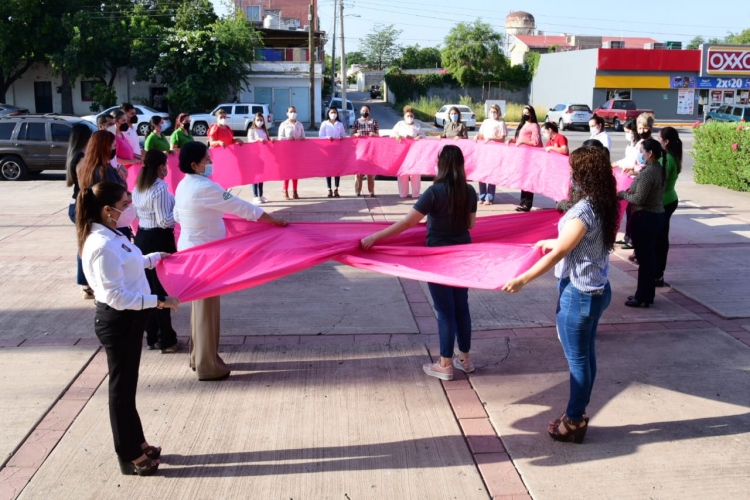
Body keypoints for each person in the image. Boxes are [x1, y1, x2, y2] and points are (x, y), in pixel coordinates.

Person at [502, 145, 619, 444]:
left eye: (574, 171)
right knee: (586, 357)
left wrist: (523, 279)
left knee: (578, 362)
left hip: (579, 294)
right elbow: (572, 241)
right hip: (597, 289)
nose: (571, 176)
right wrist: (549, 240)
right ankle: (577, 414)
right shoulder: (604, 202)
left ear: (584, 175)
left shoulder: (584, 209)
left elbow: (563, 251)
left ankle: (574, 420)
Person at [78, 181, 179, 476]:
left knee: (128, 389)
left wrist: (154, 258)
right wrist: (158, 301)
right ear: (108, 210)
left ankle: (137, 442)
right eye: (125, 204)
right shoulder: (101, 245)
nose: (130, 209)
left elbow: (131, 264)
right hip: (118, 322)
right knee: (121, 392)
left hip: (130, 321)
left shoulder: (113, 234)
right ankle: (129, 455)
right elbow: (114, 296)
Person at [361, 145, 477, 381]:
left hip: (438, 257)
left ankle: (445, 364)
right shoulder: (470, 191)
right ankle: (465, 359)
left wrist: (374, 237)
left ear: (441, 164)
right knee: (461, 306)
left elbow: (406, 224)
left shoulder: (434, 192)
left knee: (445, 311)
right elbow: (471, 225)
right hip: (463, 253)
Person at [173, 142, 288, 381]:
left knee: (199, 310)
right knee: (206, 311)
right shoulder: (205, 187)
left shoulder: (184, 184)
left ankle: (198, 357)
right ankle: (208, 366)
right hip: (204, 256)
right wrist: (273, 220)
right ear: (194, 165)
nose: (210, 163)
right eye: (206, 159)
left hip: (190, 251)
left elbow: (178, 216)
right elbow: (241, 207)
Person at [133, 150, 181, 353]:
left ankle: (151, 336)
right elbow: (164, 221)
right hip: (158, 238)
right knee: (161, 291)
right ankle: (166, 339)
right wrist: (180, 213)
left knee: (148, 290)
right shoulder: (159, 188)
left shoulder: (139, 186)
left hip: (143, 237)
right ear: (161, 165)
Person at [617, 139, 667, 307]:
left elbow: (639, 198)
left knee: (645, 259)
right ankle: (646, 294)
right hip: (656, 215)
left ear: (650, 154)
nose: (640, 154)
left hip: (645, 217)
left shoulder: (648, 173)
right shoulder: (659, 169)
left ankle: (642, 295)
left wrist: (623, 194)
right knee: (649, 258)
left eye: (642, 151)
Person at [66, 123, 94, 299]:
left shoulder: (75, 156)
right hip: (81, 205)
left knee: (85, 244)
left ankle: (86, 284)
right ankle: (85, 285)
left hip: (76, 203)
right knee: (85, 246)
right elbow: (86, 185)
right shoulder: (81, 157)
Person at [655, 127, 682, 287]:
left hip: (664, 202)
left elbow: (659, 183)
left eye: (659, 138)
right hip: (668, 199)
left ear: (666, 142)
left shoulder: (666, 159)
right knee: (661, 239)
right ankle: (658, 273)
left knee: (659, 241)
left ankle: (658, 274)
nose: (657, 141)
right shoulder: (671, 156)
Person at [511, 105, 542, 212]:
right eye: (523, 113)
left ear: (532, 114)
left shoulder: (534, 126)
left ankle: (527, 204)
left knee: (529, 180)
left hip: (531, 157)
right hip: (522, 157)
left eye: (527, 113)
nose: (525, 115)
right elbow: (519, 139)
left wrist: (523, 142)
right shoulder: (523, 125)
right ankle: (522, 202)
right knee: (523, 180)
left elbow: (535, 142)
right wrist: (512, 140)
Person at [475, 104, 508, 205]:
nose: (493, 113)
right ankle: (482, 196)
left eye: (495, 112)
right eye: (491, 111)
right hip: (484, 151)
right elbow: (481, 134)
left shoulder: (501, 123)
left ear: (498, 112)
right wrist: (477, 136)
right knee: (481, 173)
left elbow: (502, 138)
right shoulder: (486, 122)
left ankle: (489, 197)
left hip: (495, 151)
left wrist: (491, 139)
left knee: (492, 174)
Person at [391, 105, 426, 198]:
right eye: (408, 116)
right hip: (402, 152)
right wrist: (396, 135)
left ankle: (416, 194)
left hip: (415, 153)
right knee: (403, 173)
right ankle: (403, 194)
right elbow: (392, 133)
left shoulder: (417, 125)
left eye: (411, 116)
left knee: (415, 173)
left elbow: (424, 136)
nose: (410, 118)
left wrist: (419, 137)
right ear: (404, 116)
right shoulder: (400, 124)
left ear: (413, 116)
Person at [277, 106, 305, 200]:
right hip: (286, 152)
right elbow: (280, 138)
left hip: (297, 152)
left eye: (294, 111)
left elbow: (303, 136)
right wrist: (288, 139)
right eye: (291, 111)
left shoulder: (299, 124)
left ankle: (295, 191)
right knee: (287, 172)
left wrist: (302, 139)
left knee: (295, 172)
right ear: (287, 113)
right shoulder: (284, 124)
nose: (293, 113)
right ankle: (285, 191)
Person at [319, 106, 347, 198]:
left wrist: (341, 137)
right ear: (328, 113)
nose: (333, 114)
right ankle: (329, 189)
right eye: (331, 112)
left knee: (337, 170)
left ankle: (336, 189)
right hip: (328, 150)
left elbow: (344, 135)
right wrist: (327, 137)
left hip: (338, 149)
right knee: (328, 170)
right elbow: (320, 136)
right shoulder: (324, 123)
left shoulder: (340, 124)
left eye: (335, 112)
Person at [352, 105, 379, 197]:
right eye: (363, 110)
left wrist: (374, 134)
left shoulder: (374, 122)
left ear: (369, 112)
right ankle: (357, 191)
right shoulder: (356, 122)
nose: (365, 112)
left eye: (366, 110)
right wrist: (356, 134)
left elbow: (378, 135)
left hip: (371, 150)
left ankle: (371, 191)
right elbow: (351, 134)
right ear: (360, 111)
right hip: (359, 150)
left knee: (370, 172)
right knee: (359, 171)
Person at [246, 112, 273, 204]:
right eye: (258, 120)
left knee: (261, 176)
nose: (260, 122)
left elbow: (267, 140)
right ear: (254, 120)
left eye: (261, 120)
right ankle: (255, 195)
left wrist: (271, 140)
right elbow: (250, 141)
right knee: (255, 176)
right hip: (254, 155)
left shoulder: (264, 130)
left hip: (263, 155)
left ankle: (261, 195)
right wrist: (258, 140)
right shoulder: (252, 130)